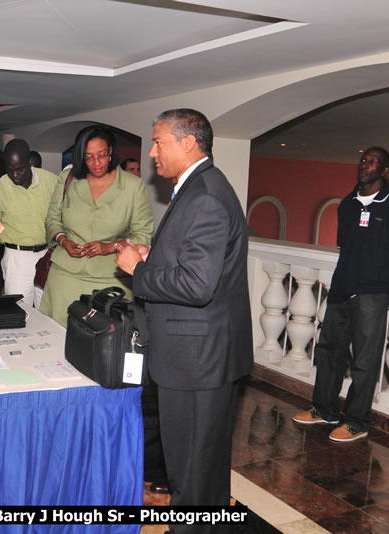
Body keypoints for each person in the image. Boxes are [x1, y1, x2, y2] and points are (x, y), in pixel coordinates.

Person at [116, 108, 253, 534]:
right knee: (205, 469)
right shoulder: (198, 186)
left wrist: (137, 272)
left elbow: (196, 285)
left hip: (197, 359)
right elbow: (192, 263)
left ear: (188, 143)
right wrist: (151, 258)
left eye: (159, 142)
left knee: (191, 474)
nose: (152, 151)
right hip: (201, 353)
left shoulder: (206, 196)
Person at [293, 147, 389, 442]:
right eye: (363, 160)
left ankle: (357, 422)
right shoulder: (347, 204)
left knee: (364, 360)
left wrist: (380, 282)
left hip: (373, 294)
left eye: (372, 162)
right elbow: (346, 247)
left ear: (384, 170)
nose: (365, 165)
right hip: (341, 289)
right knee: (328, 351)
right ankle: (325, 409)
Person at [40, 124, 153, 326]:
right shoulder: (68, 179)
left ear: (110, 151)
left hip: (110, 281)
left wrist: (111, 246)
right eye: (89, 157)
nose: (96, 163)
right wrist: (63, 240)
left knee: (105, 345)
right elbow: (52, 219)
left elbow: (143, 234)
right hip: (65, 276)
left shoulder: (132, 186)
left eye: (101, 155)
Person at [0, 139, 58, 306]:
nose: (15, 175)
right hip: (16, 259)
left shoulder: (51, 182)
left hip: (47, 255)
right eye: (10, 170)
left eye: (20, 170)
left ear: (30, 162)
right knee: (19, 311)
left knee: (46, 312)